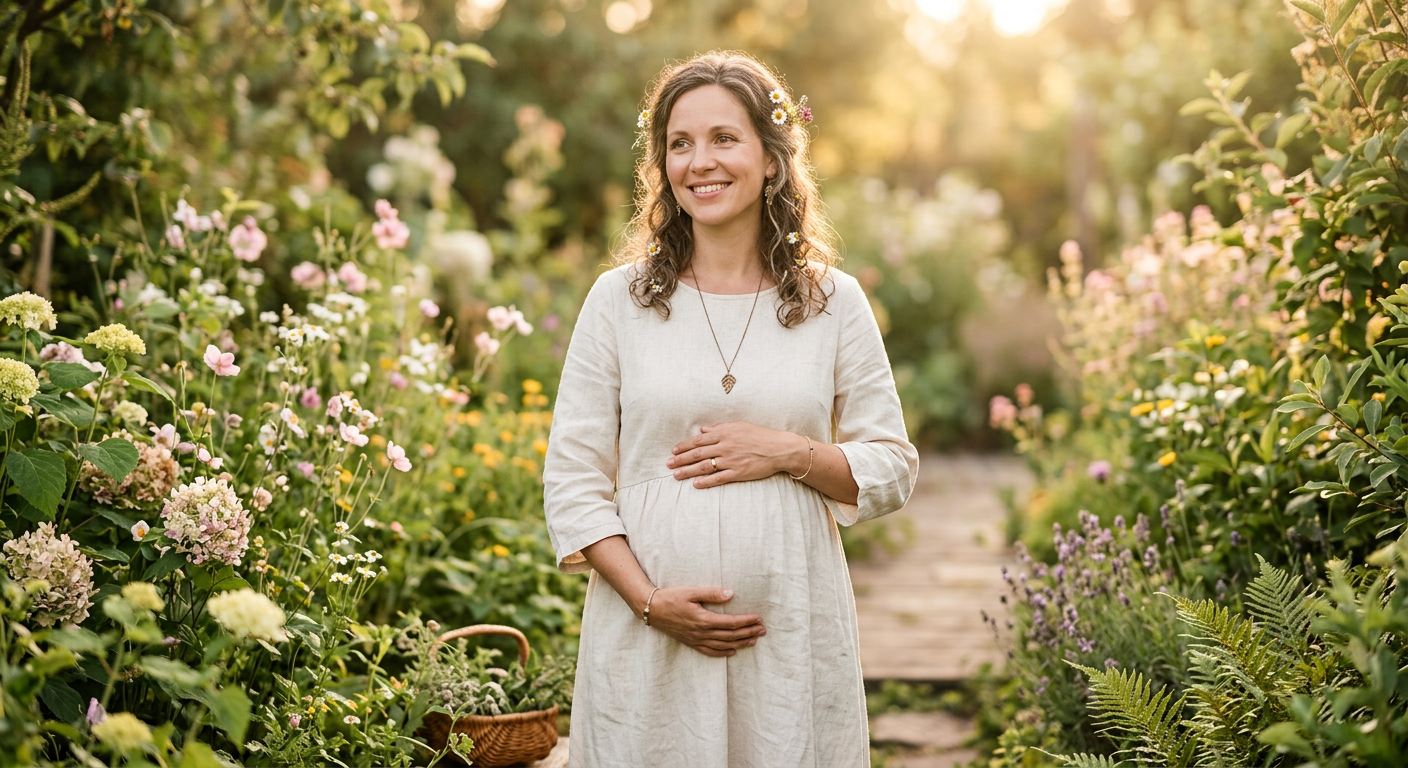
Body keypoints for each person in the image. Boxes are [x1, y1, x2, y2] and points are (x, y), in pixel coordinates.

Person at [543, 50, 918, 768]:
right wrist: (653, 602)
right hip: (647, 635)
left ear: (771, 161)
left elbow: (893, 466)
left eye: (723, 138)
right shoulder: (616, 303)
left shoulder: (833, 303)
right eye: (679, 144)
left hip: (789, 629)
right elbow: (573, 481)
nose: (699, 162)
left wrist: (789, 453)